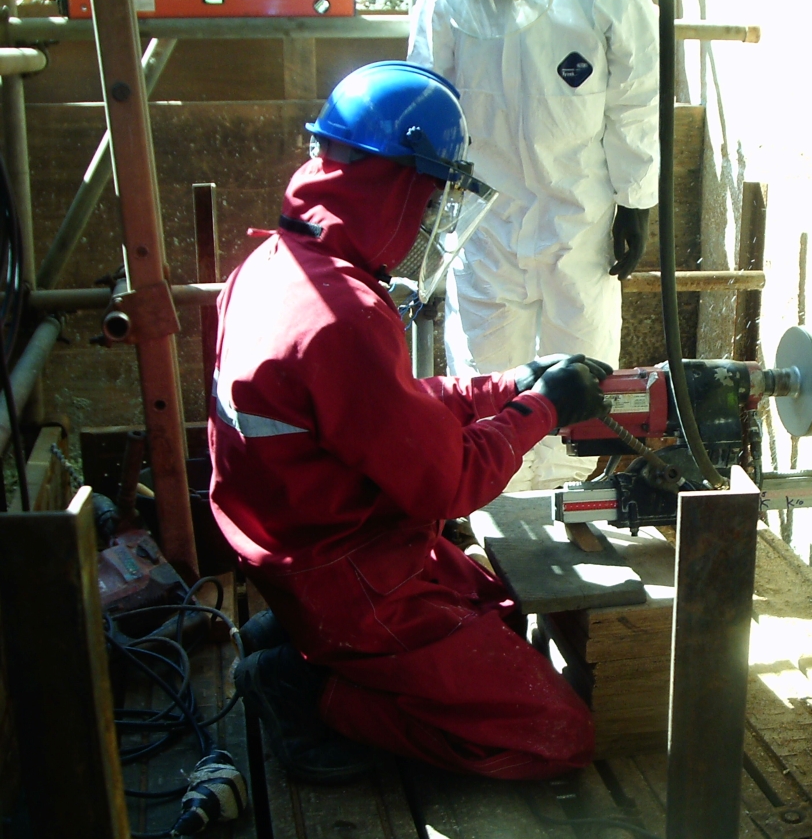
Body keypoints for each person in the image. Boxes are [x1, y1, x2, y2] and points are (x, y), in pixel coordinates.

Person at [208, 61, 612, 783]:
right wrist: (545, 409)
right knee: (554, 735)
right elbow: (448, 484)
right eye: (430, 202)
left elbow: (380, 410)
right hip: (351, 580)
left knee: (499, 605)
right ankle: (313, 688)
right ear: (395, 185)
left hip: (303, 549)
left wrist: (508, 384)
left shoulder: (272, 269)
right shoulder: (344, 318)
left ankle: (294, 639)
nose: (429, 221)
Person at [408, 0, 659, 490]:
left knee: (583, 366)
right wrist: (426, 201)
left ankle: (570, 498)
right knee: (487, 374)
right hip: (484, 223)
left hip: (580, 217)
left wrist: (637, 200)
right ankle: (501, 509)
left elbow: (636, 97)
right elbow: (426, 100)